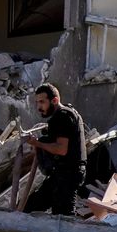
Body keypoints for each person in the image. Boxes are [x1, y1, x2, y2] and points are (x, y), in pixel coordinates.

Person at [24, 83, 87, 216]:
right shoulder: (68, 114)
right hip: (62, 173)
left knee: (63, 216)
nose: (38, 107)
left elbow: (61, 149)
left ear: (55, 101)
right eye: (37, 103)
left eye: (42, 102)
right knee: (33, 207)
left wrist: (37, 143)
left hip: (68, 174)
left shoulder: (62, 116)